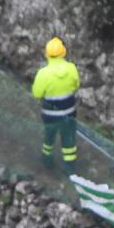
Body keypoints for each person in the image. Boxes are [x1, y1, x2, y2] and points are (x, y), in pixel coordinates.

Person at [32, 36, 80, 173]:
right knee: (69, 141)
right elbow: (76, 85)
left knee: (49, 138)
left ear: (47, 54)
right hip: (69, 114)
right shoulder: (71, 69)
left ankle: (47, 162)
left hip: (50, 115)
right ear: (63, 53)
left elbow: (37, 93)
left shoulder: (43, 74)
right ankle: (70, 169)